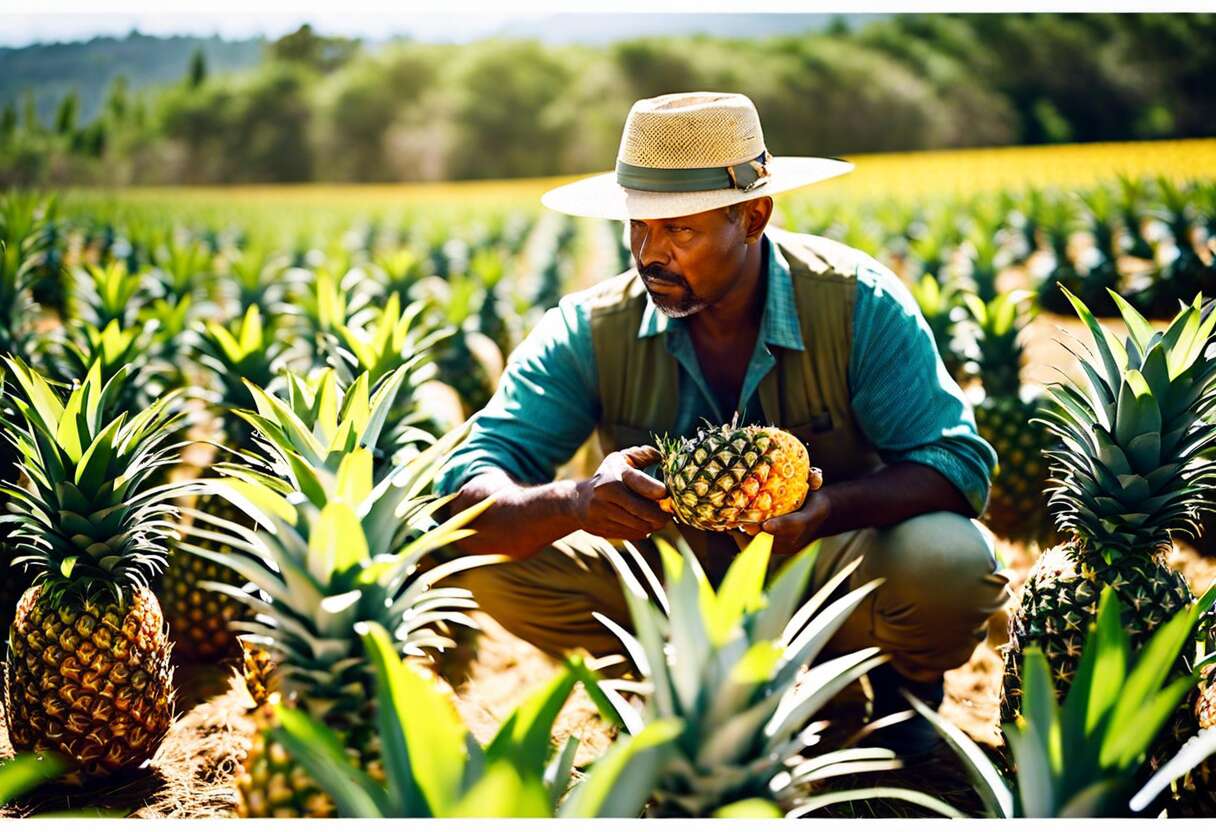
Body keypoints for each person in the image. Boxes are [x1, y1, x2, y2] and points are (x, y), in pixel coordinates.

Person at [435, 91, 1010, 756]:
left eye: (680, 230)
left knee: (949, 560)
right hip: (663, 584)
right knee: (483, 559)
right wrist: (575, 501)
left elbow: (956, 463)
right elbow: (468, 480)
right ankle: (669, 679)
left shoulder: (857, 301)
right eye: (638, 226)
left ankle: (899, 685)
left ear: (753, 216)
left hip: (824, 566)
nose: (650, 253)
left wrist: (827, 509)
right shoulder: (587, 329)